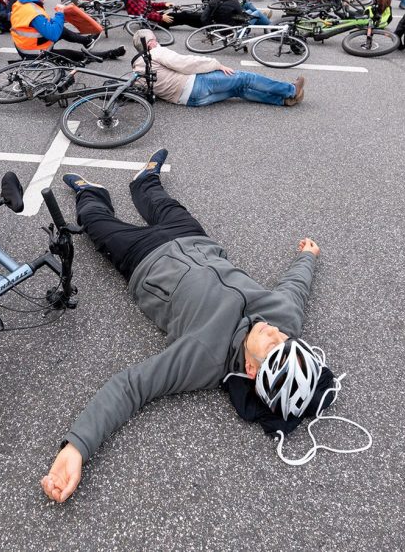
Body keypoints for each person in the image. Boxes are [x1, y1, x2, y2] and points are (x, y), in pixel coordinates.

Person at [42, 149, 337, 502]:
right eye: (286, 340)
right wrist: (308, 257)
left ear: (250, 368)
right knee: (160, 201)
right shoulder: (284, 319)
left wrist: (77, 447)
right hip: (196, 239)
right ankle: (144, 180)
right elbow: (296, 288)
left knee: (91, 220)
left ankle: (91, 191)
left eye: (273, 346)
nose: (274, 332)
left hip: (145, 260)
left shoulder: (203, 358)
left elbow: (133, 386)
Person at [130, 29, 302, 107]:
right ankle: (291, 90)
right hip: (195, 86)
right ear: (151, 42)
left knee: (238, 89)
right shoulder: (156, 52)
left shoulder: (137, 68)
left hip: (188, 101)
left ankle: (282, 100)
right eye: (155, 38)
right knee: (244, 78)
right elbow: (186, 64)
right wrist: (216, 64)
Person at [10, 0, 125, 61]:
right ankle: (109, 54)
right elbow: (54, 34)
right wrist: (60, 14)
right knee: (71, 54)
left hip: (24, 44)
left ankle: (87, 41)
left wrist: (56, 19)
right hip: (33, 52)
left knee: (61, 29)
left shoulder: (21, 2)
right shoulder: (33, 11)